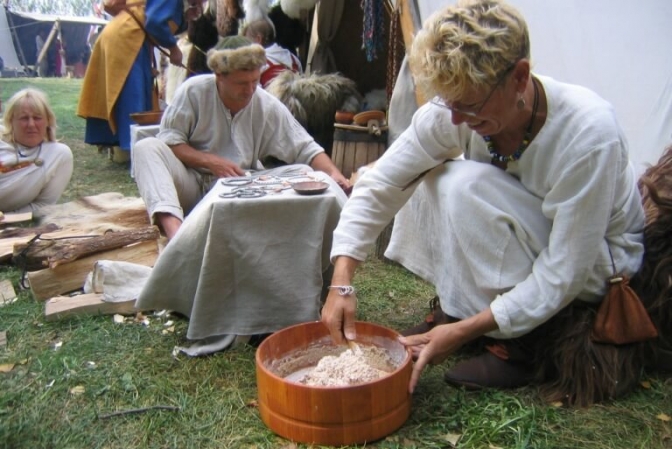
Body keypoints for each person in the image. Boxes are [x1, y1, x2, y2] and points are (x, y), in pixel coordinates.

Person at [321, 0, 646, 407]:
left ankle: (523, 343)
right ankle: (461, 309)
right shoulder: (458, 109)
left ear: (520, 77)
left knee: (465, 186)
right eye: (449, 102)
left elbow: (566, 270)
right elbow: (382, 181)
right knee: (436, 175)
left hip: (599, 261)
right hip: (536, 233)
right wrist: (342, 278)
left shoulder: (588, 135)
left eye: (469, 104)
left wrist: (463, 334)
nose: (456, 119)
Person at [132, 36, 350, 240]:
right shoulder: (193, 91)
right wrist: (211, 161)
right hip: (192, 183)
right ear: (219, 76)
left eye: (254, 81)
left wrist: (334, 174)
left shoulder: (265, 103)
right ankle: (176, 236)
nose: (250, 90)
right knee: (146, 147)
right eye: (241, 83)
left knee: (305, 173)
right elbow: (171, 141)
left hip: (241, 187)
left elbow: (305, 148)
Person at [77, 0, 202, 160]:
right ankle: (136, 151)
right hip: (127, 38)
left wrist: (185, 17)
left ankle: (128, 147)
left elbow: (156, 16)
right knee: (133, 96)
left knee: (135, 93)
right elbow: (155, 22)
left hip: (127, 36)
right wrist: (173, 48)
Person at [0, 88, 73, 214]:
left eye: (37, 118)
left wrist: (7, 217)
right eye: (24, 118)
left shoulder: (58, 155)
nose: (31, 124)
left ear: (48, 120)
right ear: (11, 120)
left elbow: (44, 205)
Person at [242, 18, 302, 88]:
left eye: (247, 41)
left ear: (258, 39)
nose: (246, 46)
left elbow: (254, 95)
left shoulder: (258, 63)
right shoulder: (294, 58)